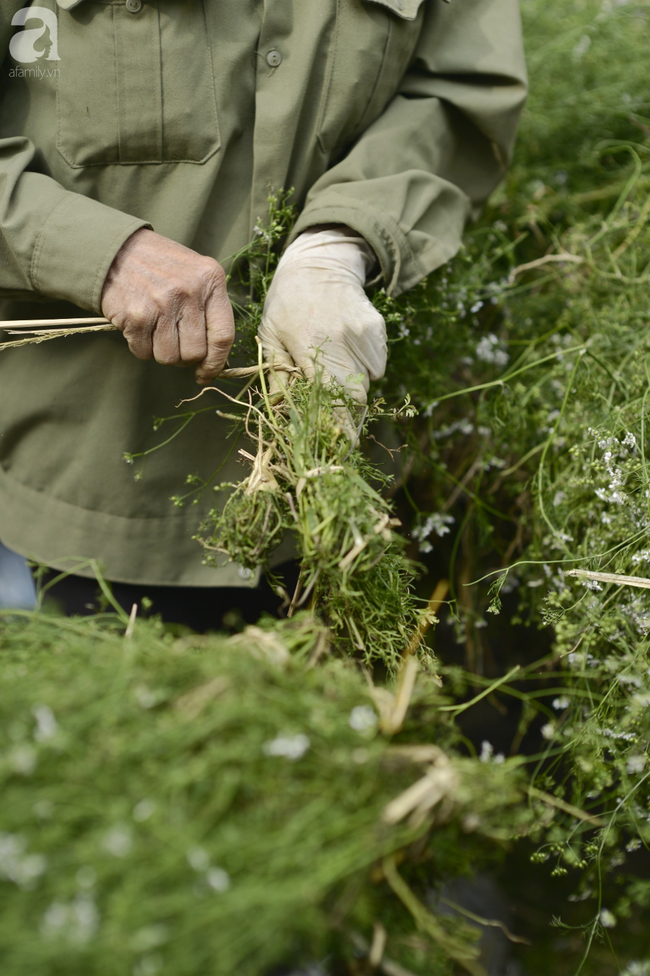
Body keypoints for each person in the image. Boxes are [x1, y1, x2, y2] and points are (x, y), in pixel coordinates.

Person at [0, 0, 527, 622]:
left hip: (349, 482)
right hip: (99, 490)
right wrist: (101, 255)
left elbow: (458, 89)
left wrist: (343, 240)